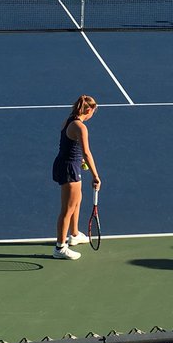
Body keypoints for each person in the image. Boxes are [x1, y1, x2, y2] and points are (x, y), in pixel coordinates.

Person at [51, 95, 101, 260]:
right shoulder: (81, 127)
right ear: (89, 110)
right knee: (67, 209)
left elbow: (70, 145)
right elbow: (87, 152)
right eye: (93, 111)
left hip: (66, 164)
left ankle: (74, 234)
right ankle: (60, 248)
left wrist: (79, 160)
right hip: (69, 168)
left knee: (77, 199)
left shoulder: (68, 120)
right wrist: (95, 176)